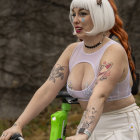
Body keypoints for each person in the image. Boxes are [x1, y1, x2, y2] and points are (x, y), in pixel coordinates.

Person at [0, 0, 140, 139]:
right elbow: (48, 88)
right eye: (74, 15)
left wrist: (83, 133)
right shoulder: (72, 50)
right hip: (88, 126)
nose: (76, 20)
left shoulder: (113, 51)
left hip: (120, 126)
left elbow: (100, 95)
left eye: (83, 14)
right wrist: (18, 125)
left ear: (99, 16)